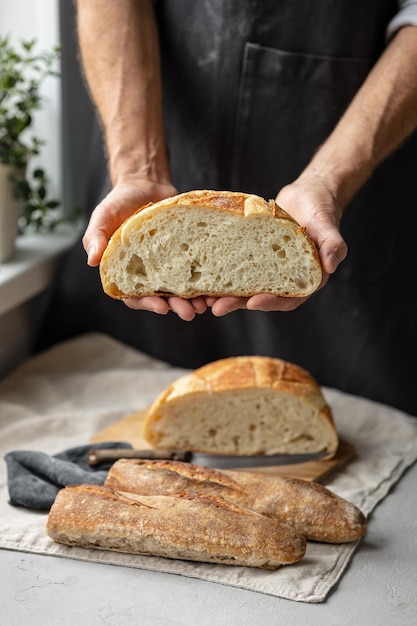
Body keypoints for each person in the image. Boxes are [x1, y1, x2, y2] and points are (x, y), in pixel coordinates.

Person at [37, 0, 417, 415]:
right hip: (154, 135)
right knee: (124, 403)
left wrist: (327, 182)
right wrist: (136, 172)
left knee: (366, 427)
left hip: (356, 170)